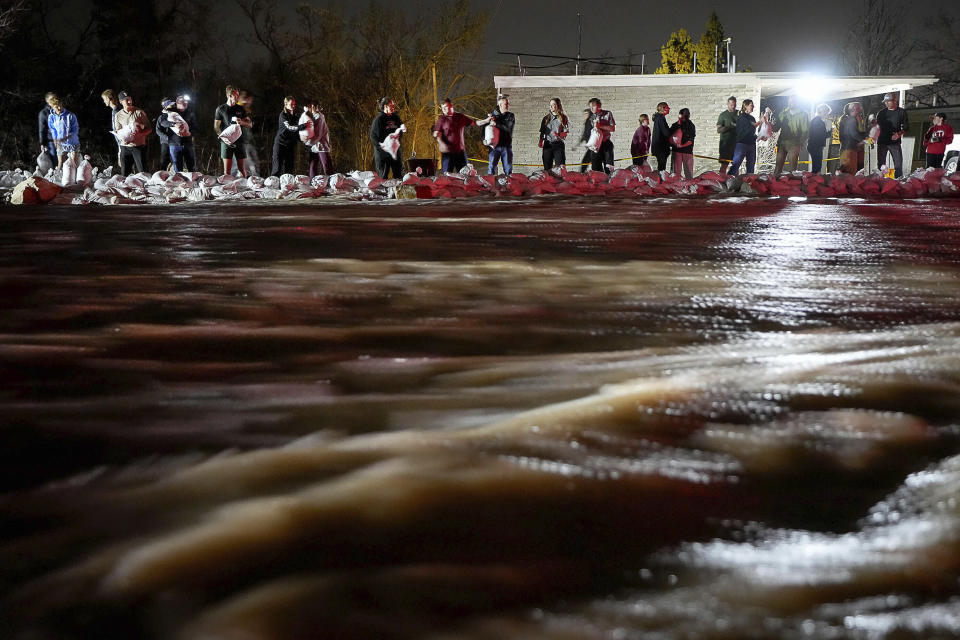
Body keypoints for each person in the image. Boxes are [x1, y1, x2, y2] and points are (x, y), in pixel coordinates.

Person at [214, 85, 253, 177]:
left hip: (240, 141)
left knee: (242, 169)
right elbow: (216, 126)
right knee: (227, 171)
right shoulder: (220, 109)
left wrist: (242, 122)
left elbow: (250, 124)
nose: (238, 97)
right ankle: (226, 189)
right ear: (229, 95)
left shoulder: (240, 109)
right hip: (226, 142)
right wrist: (222, 137)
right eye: (236, 95)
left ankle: (245, 187)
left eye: (238, 95)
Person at [432, 98, 477, 173]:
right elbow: (436, 133)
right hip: (447, 153)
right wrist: (441, 142)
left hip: (460, 152)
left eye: (446, 107)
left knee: (464, 175)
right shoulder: (442, 119)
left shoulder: (460, 117)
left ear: (451, 106)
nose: (444, 110)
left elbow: (475, 123)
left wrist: (486, 120)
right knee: (447, 175)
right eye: (443, 108)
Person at [113, 90, 152, 176]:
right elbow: (118, 131)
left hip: (138, 147)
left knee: (143, 173)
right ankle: (127, 188)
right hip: (125, 147)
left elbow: (149, 129)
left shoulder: (139, 112)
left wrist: (139, 134)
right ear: (120, 102)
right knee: (125, 174)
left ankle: (145, 188)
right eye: (126, 100)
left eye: (130, 99)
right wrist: (122, 137)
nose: (129, 101)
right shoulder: (118, 115)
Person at [157, 95, 197, 172]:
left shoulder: (190, 113)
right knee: (178, 168)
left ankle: (192, 182)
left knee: (191, 166)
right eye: (183, 102)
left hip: (188, 144)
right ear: (177, 103)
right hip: (175, 144)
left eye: (186, 102)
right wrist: (173, 124)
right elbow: (163, 122)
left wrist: (190, 133)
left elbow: (195, 127)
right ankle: (178, 182)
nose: (185, 103)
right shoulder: (170, 112)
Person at [271, 95, 307, 177]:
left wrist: (302, 139)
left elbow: (296, 133)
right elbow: (290, 128)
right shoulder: (283, 115)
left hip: (290, 145)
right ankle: (273, 186)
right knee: (277, 168)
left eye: (294, 104)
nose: (293, 106)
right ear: (286, 104)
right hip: (280, 143)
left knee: (289, 168)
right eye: (291, 104)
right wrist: (303, 126)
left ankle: (288, 186)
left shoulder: (295, 116)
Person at [370, 97, 404, 179]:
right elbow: (373, 137)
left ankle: (398, 191)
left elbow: (401, 130)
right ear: (385, 106)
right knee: (383, 178)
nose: (393, 107)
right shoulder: (379, 120)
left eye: (393, 105)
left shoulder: (396, 118)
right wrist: (382, 147)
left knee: (398, 176)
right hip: (383, 155)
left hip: (395, 153)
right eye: (391, 105)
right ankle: (384, 191)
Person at [774, 96, 809, 175]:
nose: (790, 104)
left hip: (794, 143)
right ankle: (775, 184)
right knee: (777, 166)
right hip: (782, 142)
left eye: (793, 102)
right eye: (789, 102)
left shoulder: (803, 114)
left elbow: (805, 131)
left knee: (792, 169)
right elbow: (776, 127)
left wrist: (800, 144)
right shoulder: (783, 113)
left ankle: (791, 185)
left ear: (797, 103)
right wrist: (766, 125)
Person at [876, 93, 909, 177]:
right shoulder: (881, 113)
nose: (886, 103)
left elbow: (906, 127)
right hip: (882, 142)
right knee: (881, 164)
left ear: (895, 101)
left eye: (889, 101)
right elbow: (876, 127)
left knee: (898, 164)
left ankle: (898, 181)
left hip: (894, 142)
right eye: (885, 102)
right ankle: (880, 181)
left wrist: (898, 134)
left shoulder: (901, 112)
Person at [729, 99, 765, 175]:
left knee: (751, 166)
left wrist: (760, 137)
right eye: (751, 105)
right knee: (735, 166)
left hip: (751, 145)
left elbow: (752, 133)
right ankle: (729, 182)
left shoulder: (752, 118)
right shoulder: (742, 117)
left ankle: (748, 182)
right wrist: (760, 122)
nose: (753, 107)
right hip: (742, 144)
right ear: (745, 106)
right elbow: (748, 129)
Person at [47, 96, 79, 171]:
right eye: (56, 107)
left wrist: (67, 137)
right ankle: (58, 178)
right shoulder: (51, 117)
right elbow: (53, 129)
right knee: (60, 162)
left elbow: (75, 130)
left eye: (59, 105)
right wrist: (55, 139)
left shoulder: (70, 115)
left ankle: (75, 180)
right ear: (52, 107)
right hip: (60, 143)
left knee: (73, 164)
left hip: (72, 143)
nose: (58, 108)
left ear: (61, 104)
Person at [586, 97, 616, 173]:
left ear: (599, 106)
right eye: (590, 107)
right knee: (595, 169)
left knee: (609, 168)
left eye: (593, 106)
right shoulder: (591, 117)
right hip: (596, 146)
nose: (591, 108)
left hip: (606, 143)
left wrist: (600, 126)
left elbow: (612, 128)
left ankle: (609, 182)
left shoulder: (608, 114)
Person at [539, 97, 569, 171]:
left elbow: (565, 134)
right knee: (547, 169)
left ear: (558, 105)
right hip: (547, 145)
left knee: (560, 169)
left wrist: (559, 135)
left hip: (558, 145)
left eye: (553, 104)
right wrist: (540, 141)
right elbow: (542, 132)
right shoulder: (545, 118)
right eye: (550, 105)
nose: (551, 106)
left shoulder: (563, 118)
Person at [837, 101, 867, 175]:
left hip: (850, 148)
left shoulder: (848, 118)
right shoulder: (850, 119)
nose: (860, 109)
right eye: (859, 107)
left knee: (852, 171)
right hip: (849, 148)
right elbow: (854, 133)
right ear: (854, 108)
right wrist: (864, 140)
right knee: (850, 172)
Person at [305, 100, 333, 178]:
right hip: (315, 146)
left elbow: (317, 134)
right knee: (313, 167)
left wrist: (308, 142)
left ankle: (332, 183)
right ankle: (313, 183)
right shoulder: (314, 117)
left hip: (321, 146)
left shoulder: (319, 117)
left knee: (327, 167)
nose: (311, 108)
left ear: (315, 107)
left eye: (312, 107)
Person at [237, 90, 260, 176]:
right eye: (250, 99)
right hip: (241, 142)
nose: (251, 102)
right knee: (249, 164)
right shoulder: (238, 108)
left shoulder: (247, 110)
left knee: (254, 162)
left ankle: (254, 178)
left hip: (248, 141)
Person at [669, 107, 696, 178]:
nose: (681, 119)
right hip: (677, 151)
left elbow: (690, 140)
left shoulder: (691, 126)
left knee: (689, 173)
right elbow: (669, 137)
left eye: (683, 117)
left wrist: (681, 145)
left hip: (687, 151)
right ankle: (675, 186)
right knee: (675, 173)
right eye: (680, 117)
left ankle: (689, 186)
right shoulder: (675, 125)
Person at [716, 96, 738, 175]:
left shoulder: (739, 114)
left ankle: (735, 184)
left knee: (736, 166)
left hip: (736, 145)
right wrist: (728, 127)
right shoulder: (723, 115)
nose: (733, 106)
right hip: (725, 145)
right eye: (731, 104)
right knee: (724, 165)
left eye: (734, 104)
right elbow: (718, 130)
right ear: (727, 104)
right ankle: (721, 183)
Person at [807, 104, 831, 174]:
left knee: (816, 166)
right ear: (822, 111)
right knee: (817, 167)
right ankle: (815, 180)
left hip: (813, 145)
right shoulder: (819, 122)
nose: (827, 114)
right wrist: (828, 133)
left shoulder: (815, 120)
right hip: (816, 146)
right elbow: (819, 135)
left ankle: (814, 180)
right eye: (826, 112)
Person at [101, 89, 122, 166]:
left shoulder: (116, 111)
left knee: (123, 164)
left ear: (109, 99)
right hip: (120, 142)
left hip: (122, 142)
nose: (104, 101)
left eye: (104, 99)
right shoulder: (116, 110)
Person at [650, 102, 672, 172]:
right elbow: (666, 132)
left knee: (661, 167)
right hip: (661, 148)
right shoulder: (660, 118)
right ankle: (661, 181)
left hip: (659, 147)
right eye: (667, 107)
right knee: (661, 168)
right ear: (663, 109)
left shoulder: (658, 118)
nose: (669, 108)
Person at [38, 92, 57, 168]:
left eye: (55, 98)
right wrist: (42, 143)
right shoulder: (44, 113)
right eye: (51, 99)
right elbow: (42, 129)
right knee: (55, 162)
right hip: (51, 141)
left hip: (64, 141)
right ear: (47, 100)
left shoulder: (60, 109)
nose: (54, 100)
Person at [156, 97, 173, 172]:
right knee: (164, 160)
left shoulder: (176, 115)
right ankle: (161, 175)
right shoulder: (162, 117)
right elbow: (158, 130)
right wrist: (166, 137)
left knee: (175, 160)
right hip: (165, 142)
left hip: (175, 142)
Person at [578, 109, 593, 173]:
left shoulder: (590, 121)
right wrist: (578, 144)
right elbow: (584, 134)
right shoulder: (587, 122)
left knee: (585, 162)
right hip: (591, 146)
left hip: (593, 146)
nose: (585, 115)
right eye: (584, 114)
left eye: (586, 114)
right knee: (588, 161)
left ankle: (582, 174)